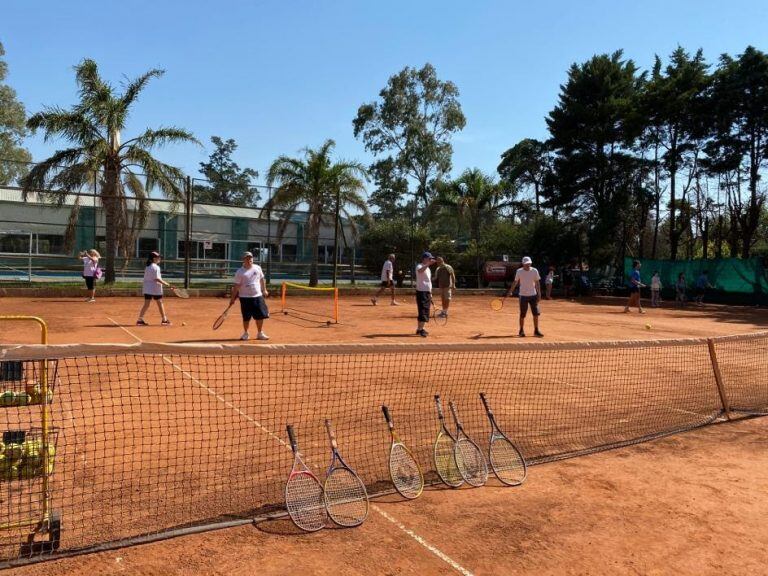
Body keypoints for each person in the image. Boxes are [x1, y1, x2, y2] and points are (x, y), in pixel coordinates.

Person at [229, 251, 270, 341]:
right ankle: (246, 333)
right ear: (243, 260)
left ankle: (260, 333)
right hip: (245, 298)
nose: (249, 259)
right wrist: (232, 299)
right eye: (247, 258)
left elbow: (262, 279)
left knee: (260, 316)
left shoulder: (258, 268)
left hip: (258, 296)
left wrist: (264, 290)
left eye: (250, 258)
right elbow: (236, 286)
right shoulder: (240, 272)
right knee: (246, 317)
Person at [507, 256, 543, 337]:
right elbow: (515, 282)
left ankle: (536, 330)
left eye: (529, 263)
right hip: (523, 296)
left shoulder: (534, 271)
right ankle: (521, 330)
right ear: (523, 264)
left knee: (536, 314)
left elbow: (537, 283)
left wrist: (539, 294)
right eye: (526, 264)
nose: (528, 265)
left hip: (533, 295)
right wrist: (510, 291)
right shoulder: (519, 271)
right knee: (523, 314)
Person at [137, 252, 173, 325]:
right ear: (154, 258)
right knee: (160, 303)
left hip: (147, 288)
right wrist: (166, 283)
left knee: (146, 304)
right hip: (155, 289)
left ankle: (140, 320)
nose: (160, 259)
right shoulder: (155, 267)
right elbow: (157, 278)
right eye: (158, 257)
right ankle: (164, 320)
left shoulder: (148, 266)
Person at [414, 252, 436, 337]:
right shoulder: (419, 266)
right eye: (429, 258)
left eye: (431, 258)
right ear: (424, 258)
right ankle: (420, 330)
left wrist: (430, 293)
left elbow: (428, 282)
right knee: (423, 311)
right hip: (421, 292)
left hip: (426, 292)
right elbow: (420, 270)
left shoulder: (428, 269)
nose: (431, 259)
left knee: (425, 311)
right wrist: (428, 264)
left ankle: (420, 329)